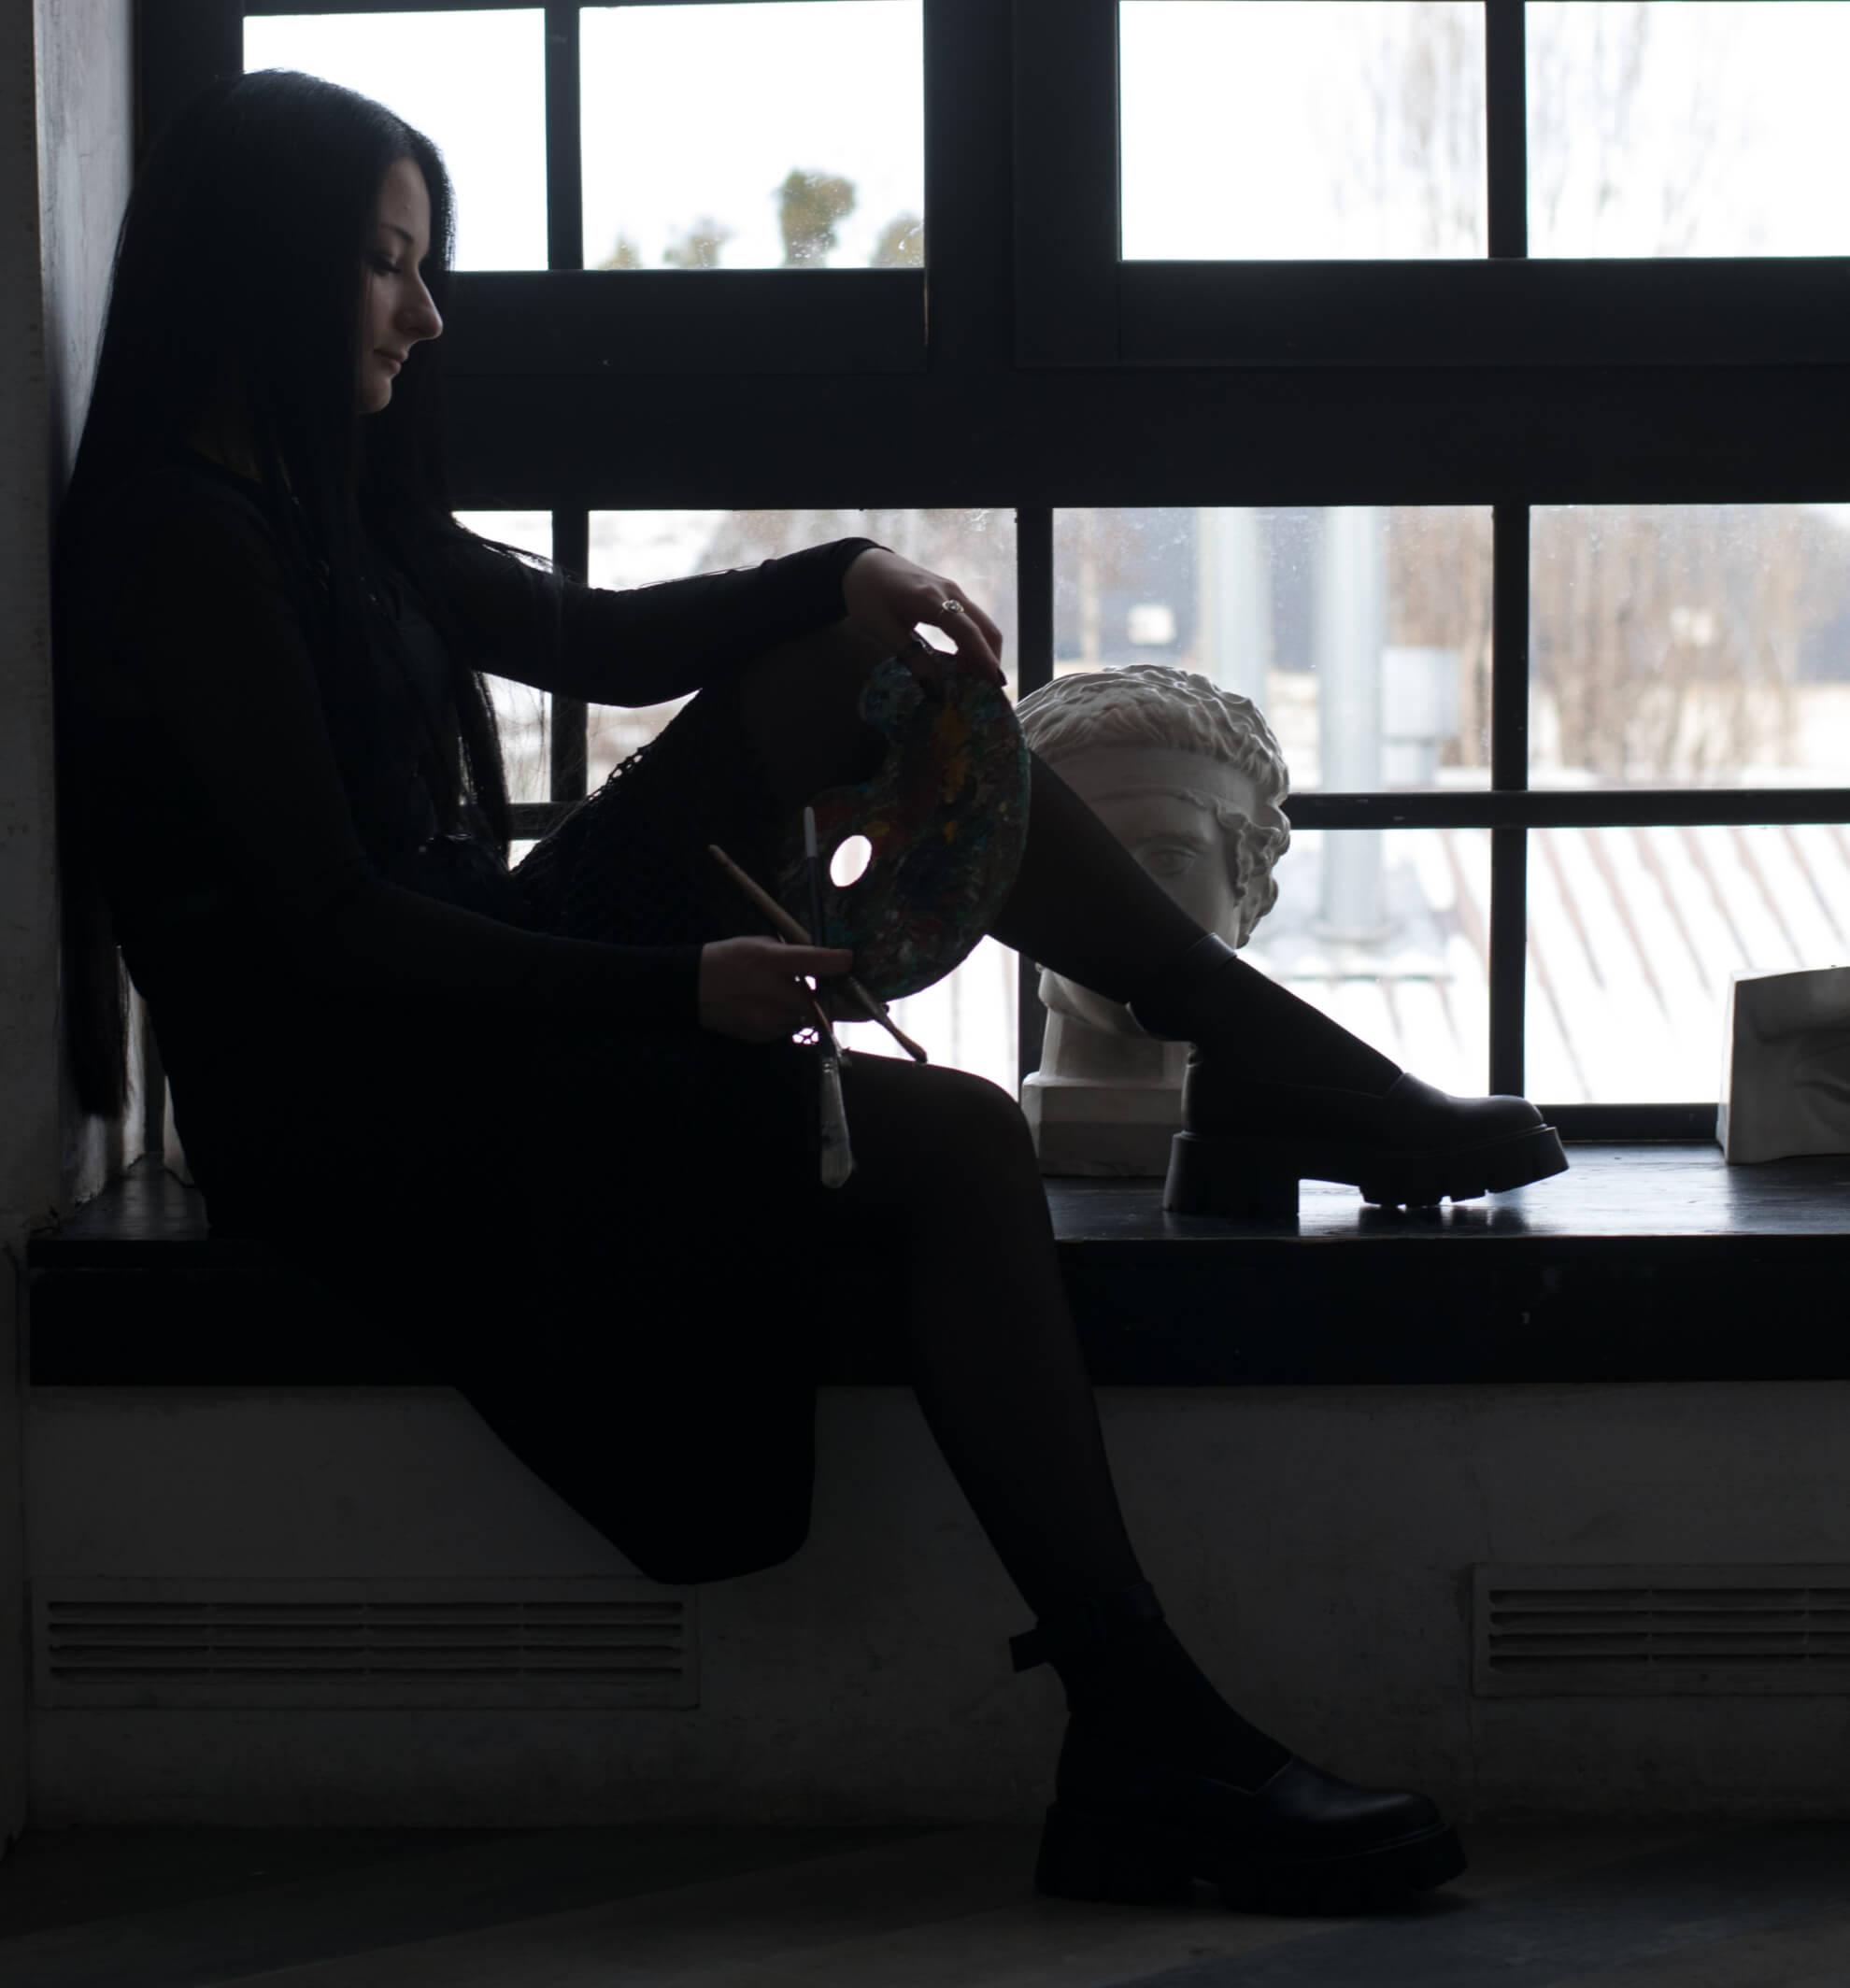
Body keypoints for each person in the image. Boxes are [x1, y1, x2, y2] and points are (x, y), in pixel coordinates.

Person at [53, 70, 1566, 1913]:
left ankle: (1248, 1048)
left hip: (450, 1014)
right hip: (362, 1102)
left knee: (844, 673)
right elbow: (342, 926)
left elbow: (596, 643)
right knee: (958, 1137)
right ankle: (1142, 1728)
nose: (423, 314)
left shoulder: (314, 499)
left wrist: (842, 573)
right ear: (263, 268)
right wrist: (679, 989)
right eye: (384, 267)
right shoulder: (179, 545)